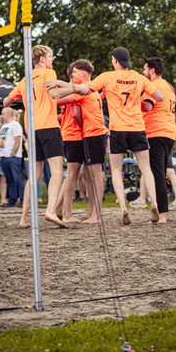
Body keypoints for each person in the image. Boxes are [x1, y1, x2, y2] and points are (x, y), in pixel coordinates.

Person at [45, 47, 164, 225]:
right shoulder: (139, 78)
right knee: (145, 168)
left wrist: (59, 85)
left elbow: (82, 89)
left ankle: (123, 208)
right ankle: (154, 203)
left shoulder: (107, 77)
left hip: (116, 129)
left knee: (114, 170)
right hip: (137, 127)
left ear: (114, 61)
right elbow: (159, 97)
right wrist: (136, 97)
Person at [4, 45, 68, 228]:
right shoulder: (49, 73)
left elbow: (6, 101)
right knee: (56, 171)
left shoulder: (24, 80)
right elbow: (54, 92)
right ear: (42, 59)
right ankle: (50, 211)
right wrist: (76, 89)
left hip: (31, 130)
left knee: (35, 175)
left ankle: (24, 219)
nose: (52, 60)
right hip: (48, 126)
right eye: (50, 56)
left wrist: (22, 98)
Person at [51, 59, 108, 224]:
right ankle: (85, 212)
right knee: (84, 175)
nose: (72, 75)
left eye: (74, 73)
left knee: (88, 175)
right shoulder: (87, 90)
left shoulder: (83, 90)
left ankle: (89, 214)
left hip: (87, 134)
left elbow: (71, 111)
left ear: (83, 74)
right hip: (82, 135)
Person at [141, 57, 176, 223]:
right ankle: (161, 213)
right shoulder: (169, 85)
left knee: (157, 175)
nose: (143, 72)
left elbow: (147, 106)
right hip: (169, 133)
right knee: (160, 174)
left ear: (152, 71)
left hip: (156, 132)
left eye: (145, 69)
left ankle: (161, 215)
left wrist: (130, 102)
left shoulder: (154, 86)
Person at [55, 63, 84, 223]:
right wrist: (84, 127)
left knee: (72, 175)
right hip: (74, 135)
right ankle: (66, 213)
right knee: (72, 175)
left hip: (66, 134)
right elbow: (74, 113)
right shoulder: (75, 89)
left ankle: (58, 208)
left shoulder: (67, 90)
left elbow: (64, 115)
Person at [0, 107, 24, 207]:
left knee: (17, 179)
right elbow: (3, 141)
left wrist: (13, 153)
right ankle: (12, 200)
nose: (2, 116)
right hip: (4, 156)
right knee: (9, 180)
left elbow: (18, 141)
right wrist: (1, 154)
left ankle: (23, 200)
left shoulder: (15, 125)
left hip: (13, 157)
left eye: (3, 114)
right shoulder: (4, 126)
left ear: (8, 114)